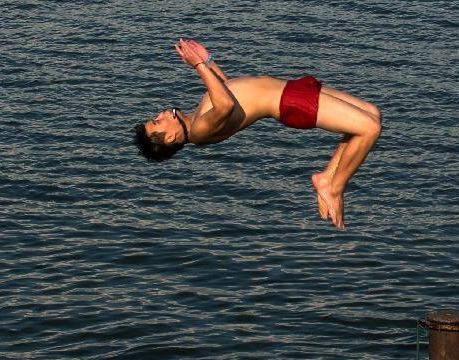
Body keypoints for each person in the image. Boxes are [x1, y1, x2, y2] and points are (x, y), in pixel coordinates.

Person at [134, 39, 382, 229]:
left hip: (290, 89)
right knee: (370, 128)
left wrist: (207, 60)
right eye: (157, 121)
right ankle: (334, 186)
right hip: (289, 102)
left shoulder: (197, 117)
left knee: (371, 112)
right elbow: (225, 105)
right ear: (168, 138)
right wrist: (198, 66)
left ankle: (327, 176)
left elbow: (230, 92)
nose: (161, 114)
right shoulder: (199, 130)